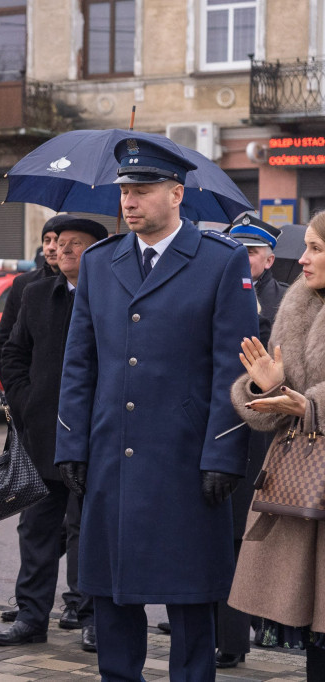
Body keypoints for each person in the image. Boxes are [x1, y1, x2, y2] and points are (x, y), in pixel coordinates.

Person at [54, 137, 258, 681]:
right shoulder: (100, 262)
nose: (129, 201)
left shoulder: (220, 260)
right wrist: (72, 443)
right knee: (112, 595)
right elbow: (79, 362)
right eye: (124, 190)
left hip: (184, 460)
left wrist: (224, 454)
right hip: (112, 459)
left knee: (191, 600)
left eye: (142, 190)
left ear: (176, 193)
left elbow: (233, 369)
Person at [0, 216, 107, 653]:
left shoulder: (112, 296)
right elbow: (13, 352)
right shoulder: (38, 293)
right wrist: (25, 400)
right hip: (42, 432)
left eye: (76, 244)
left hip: (95, 434)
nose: (63, 250)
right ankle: (30, 616)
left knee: (88, 528)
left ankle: (91, 615)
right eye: (59, 243)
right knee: (36, 527)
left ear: (98, 251)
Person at [227, 211, 325, 678]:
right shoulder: (299, 303)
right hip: (305, 488)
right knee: (316, 631)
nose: (302, 259)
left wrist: (309, 405)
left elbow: (309, 401)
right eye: (305, 246)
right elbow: (268, 400)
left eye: (316, 248)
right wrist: (264, 388)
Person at [0, 215, 60, 368]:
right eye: (47, 240)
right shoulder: (23, 283)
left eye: (57, 240)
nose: (51, 247)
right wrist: (16, 387)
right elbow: (3, 342)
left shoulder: (83, 284)